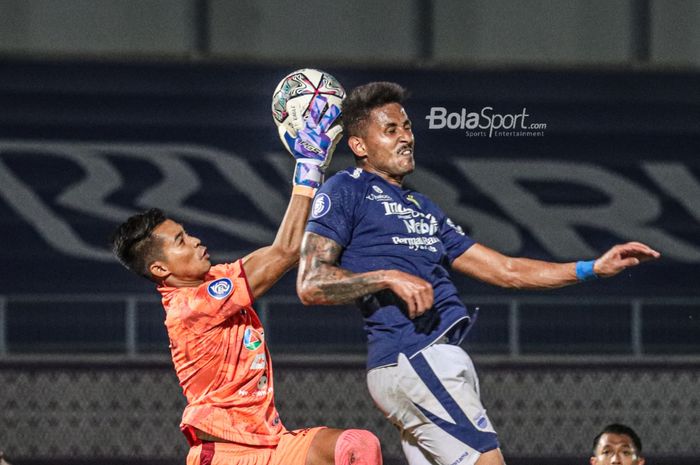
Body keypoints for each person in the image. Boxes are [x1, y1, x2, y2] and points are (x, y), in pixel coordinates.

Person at [296, 82, 661, 465]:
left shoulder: (422, 207)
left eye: (407, 127)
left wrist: (592, 269)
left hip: (432, 361)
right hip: (414, 357)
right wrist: (388, 277)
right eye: (391, 130)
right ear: (359, 146)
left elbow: (507, 270)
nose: (406, 138)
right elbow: (311, 284)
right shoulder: (346, 190)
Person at [110, 96, 382, 465]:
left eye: (187, 233)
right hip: (224, 452)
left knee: (356, 446)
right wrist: (308, 168)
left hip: (272, 443)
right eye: (180, 242)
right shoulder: (190, 307)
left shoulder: (217, 278)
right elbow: (286, 253)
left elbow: (279, 250)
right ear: (160, 269)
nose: (195, 241)